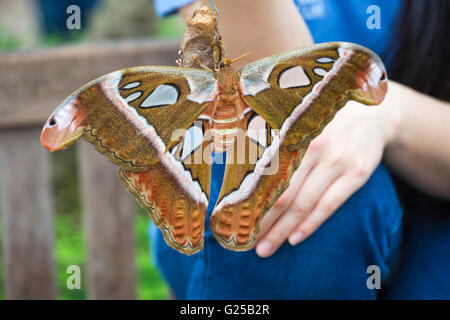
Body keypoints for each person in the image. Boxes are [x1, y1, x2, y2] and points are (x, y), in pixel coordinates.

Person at [150, 0, 450, 299]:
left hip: (431, 195)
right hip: (278, 226)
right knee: (292, 180)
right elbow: (283, 110)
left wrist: (390, 114)